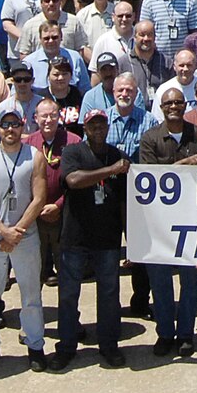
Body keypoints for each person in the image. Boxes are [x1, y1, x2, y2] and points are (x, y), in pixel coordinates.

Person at [135, 86, 197, 358]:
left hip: (192, 220)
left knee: (191, 283)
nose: (174, 107)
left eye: (179, 102)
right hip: (158, 224)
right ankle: (165, 333)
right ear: (162, 107)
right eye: (169, 103)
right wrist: (187, 163)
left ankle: (186, 334)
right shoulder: (150, 138)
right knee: (161, 283)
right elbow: (148, 179)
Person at [0, 107, 48, 372]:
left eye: (15, 124)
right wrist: (3, 231)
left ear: (22, 126)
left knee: (30, 293)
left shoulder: (35, 157)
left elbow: (39, 198)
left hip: (26, 236)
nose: (10, 130)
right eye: (5, 125)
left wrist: (17, 231)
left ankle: (35, 345)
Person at [56, 107, 131, 368]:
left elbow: (124, 200)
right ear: (85, 129)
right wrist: (110, 170)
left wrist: (128, 237)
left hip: (108, 239)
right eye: (92, 126)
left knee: (110, 294)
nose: (98, 129)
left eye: (102, 125)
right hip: (75, 237)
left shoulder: (117, 154)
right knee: (68, 294)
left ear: (108, 128)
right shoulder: (73, 152)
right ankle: (66, 347)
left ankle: (109, 345)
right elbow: (73, 180)